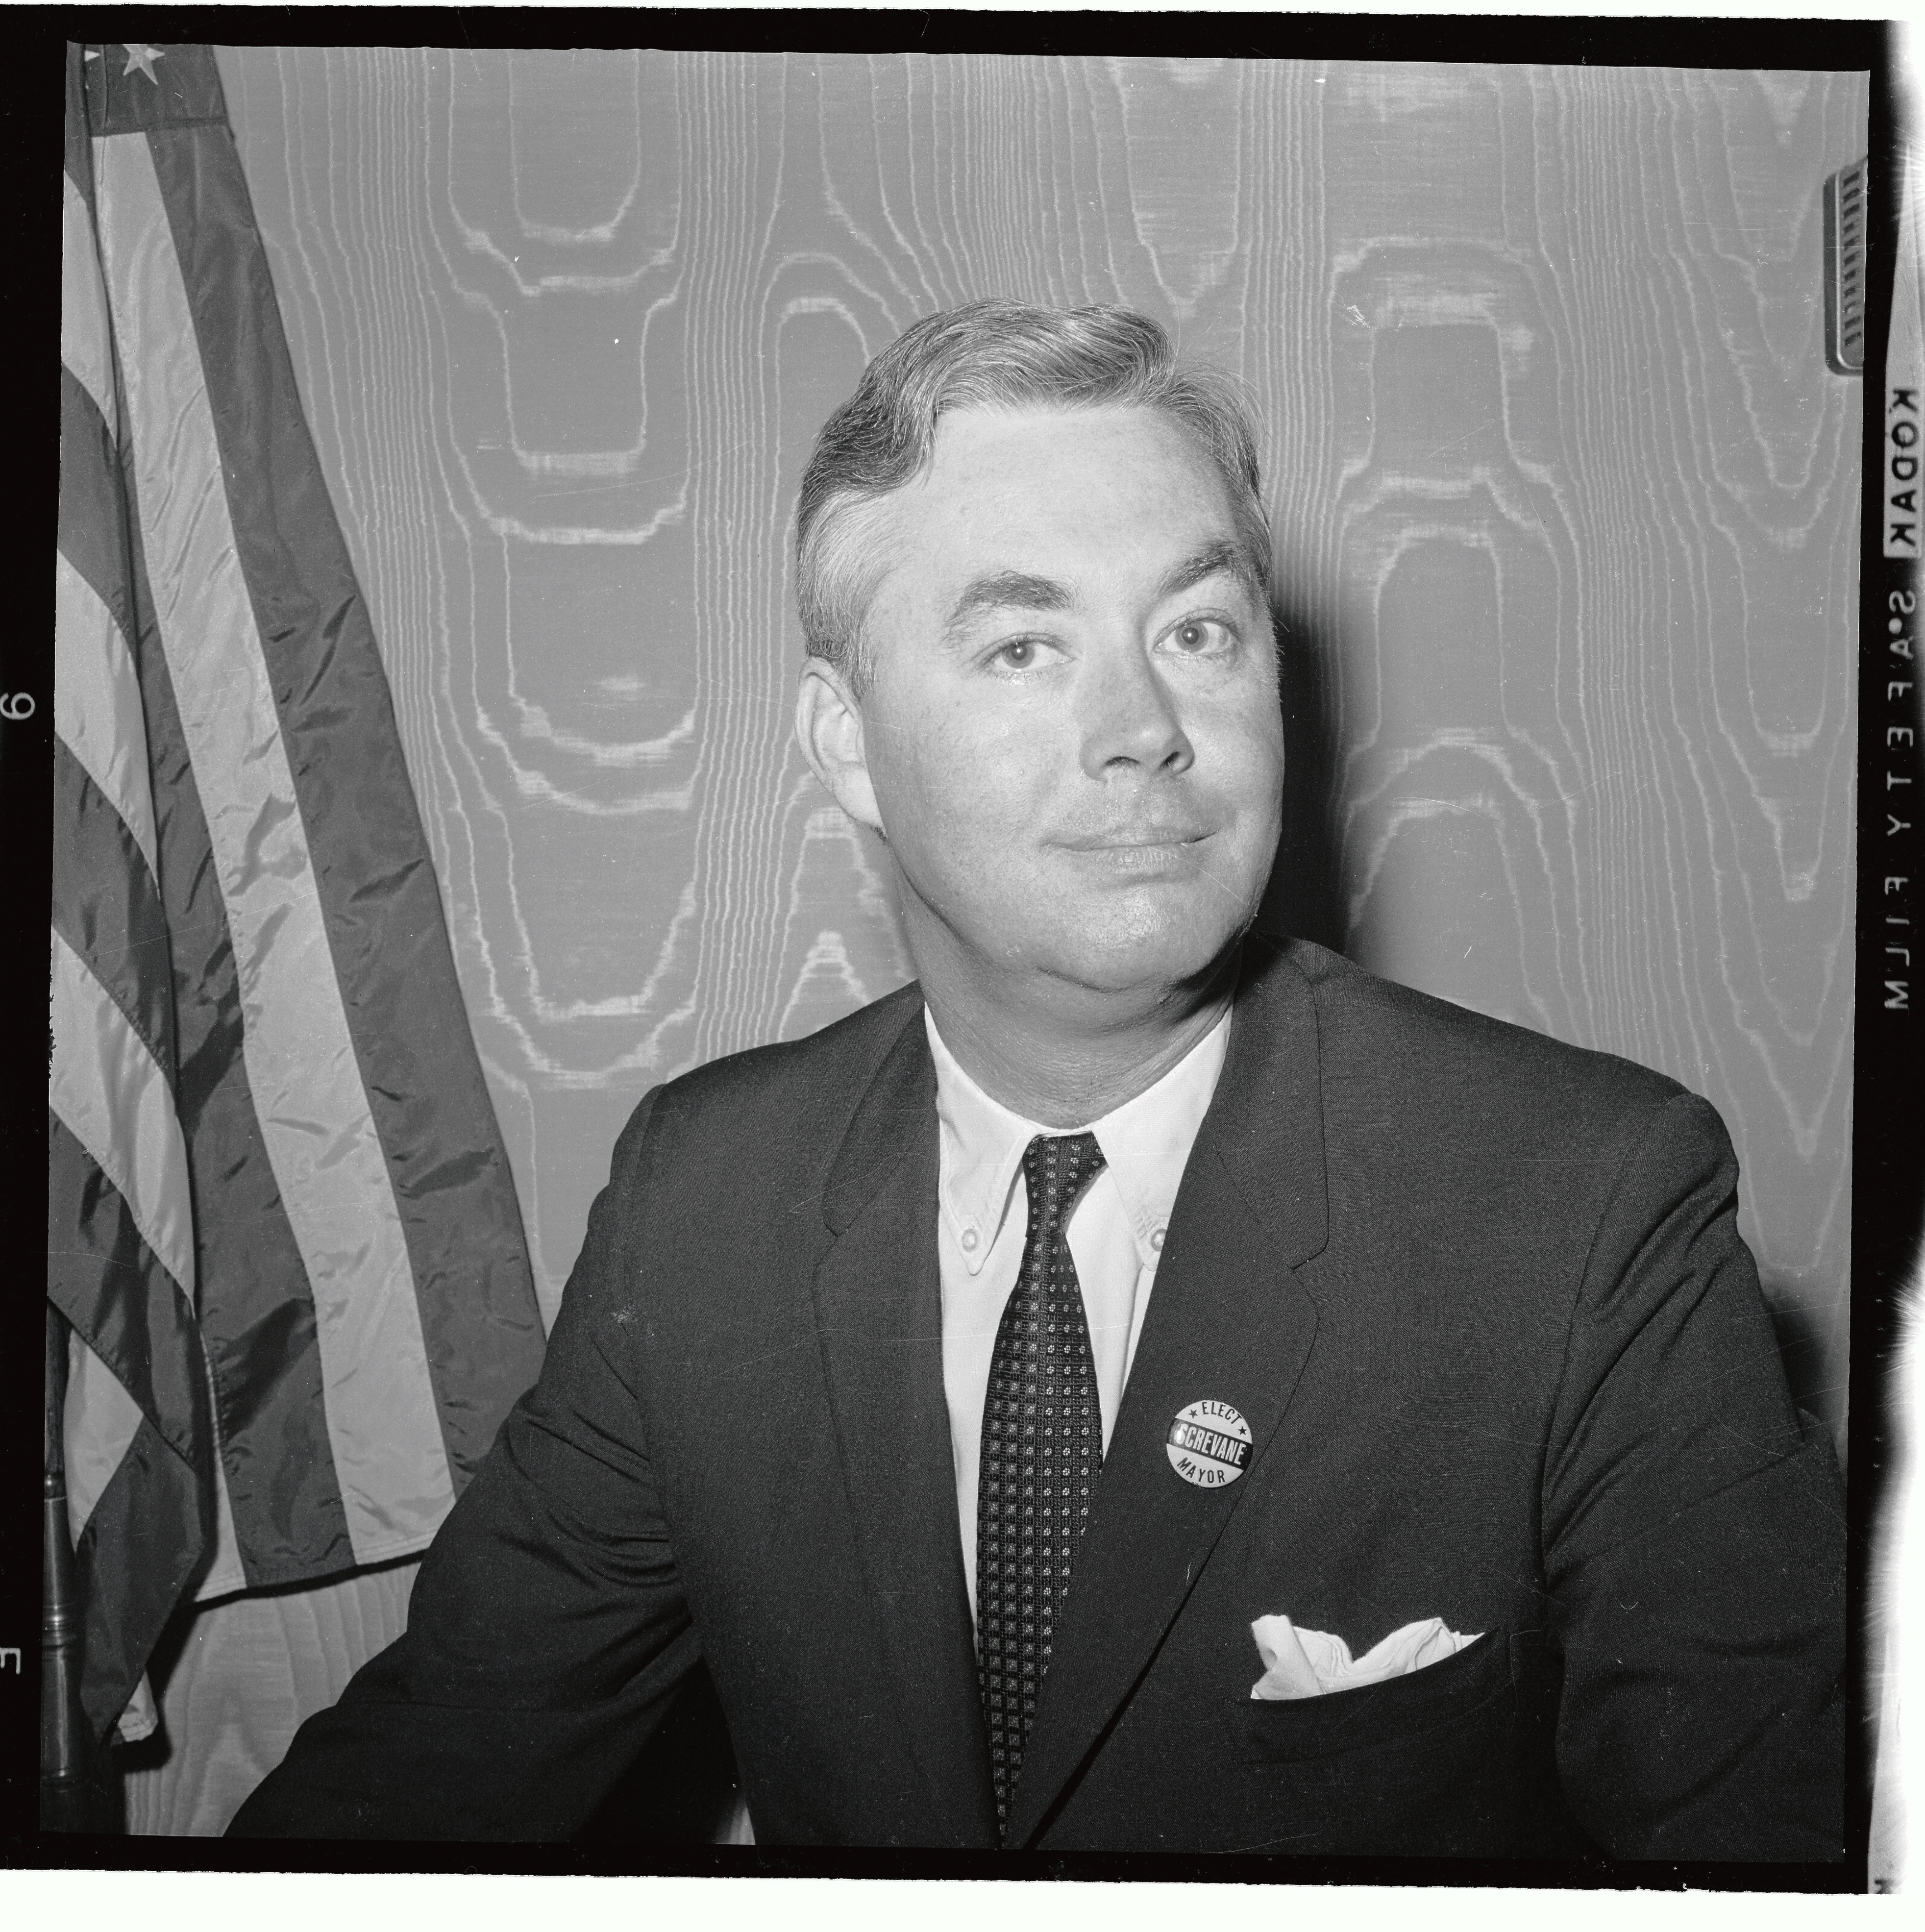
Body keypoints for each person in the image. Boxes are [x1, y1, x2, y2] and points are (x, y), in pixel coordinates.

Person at [230, 300, 1844, 1858]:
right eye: (1021, 647)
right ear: (846, 744)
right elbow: (431, 1771)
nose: (1146, 725)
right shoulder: (701, 1205)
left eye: (1197, 630)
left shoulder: (1585, 1210)